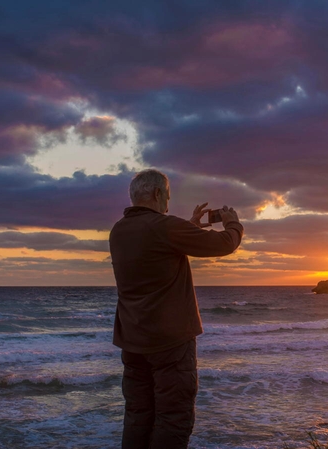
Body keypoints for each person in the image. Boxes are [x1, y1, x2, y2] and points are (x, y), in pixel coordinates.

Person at [109, 169, 243, 449]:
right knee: (174, 418)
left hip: (133, 341)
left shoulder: (119, 230)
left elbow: (158, 244)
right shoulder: (164, 227)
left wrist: (190, 226)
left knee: (138, 415)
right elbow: (223, 244)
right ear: (158, 194)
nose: (168, 203)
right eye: (167, 196)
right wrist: (233, 225)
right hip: (170, 342)